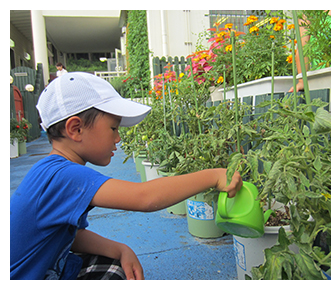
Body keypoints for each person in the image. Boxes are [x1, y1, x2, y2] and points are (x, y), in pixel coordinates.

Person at [10, 72, 243, 280]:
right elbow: (144, 197)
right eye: (113, 128)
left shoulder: (52, 170)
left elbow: (73, 235)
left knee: (114, 267)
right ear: (75, 129)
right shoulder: (62, 176)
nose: (118, 138)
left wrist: (120, 249)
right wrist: (214, 176)